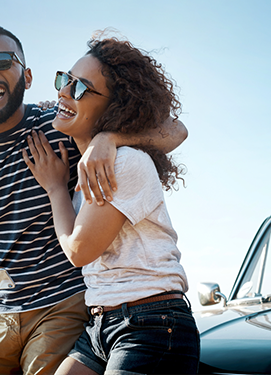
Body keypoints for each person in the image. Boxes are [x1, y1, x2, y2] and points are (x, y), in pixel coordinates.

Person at [0, 24, 188, 375]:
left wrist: (109, 137)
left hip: (65, 304)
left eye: (3, 60)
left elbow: (173, 130)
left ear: (26, 76)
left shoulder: (61, 122)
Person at [24, 34, 199, 375]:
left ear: (114, 106)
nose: (63, 91)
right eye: (64, 79)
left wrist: (56, 188)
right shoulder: (92, 161)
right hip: (102, 326)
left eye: (79, 88)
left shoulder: (125, 162)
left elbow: (79, 251)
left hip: (151, 325)